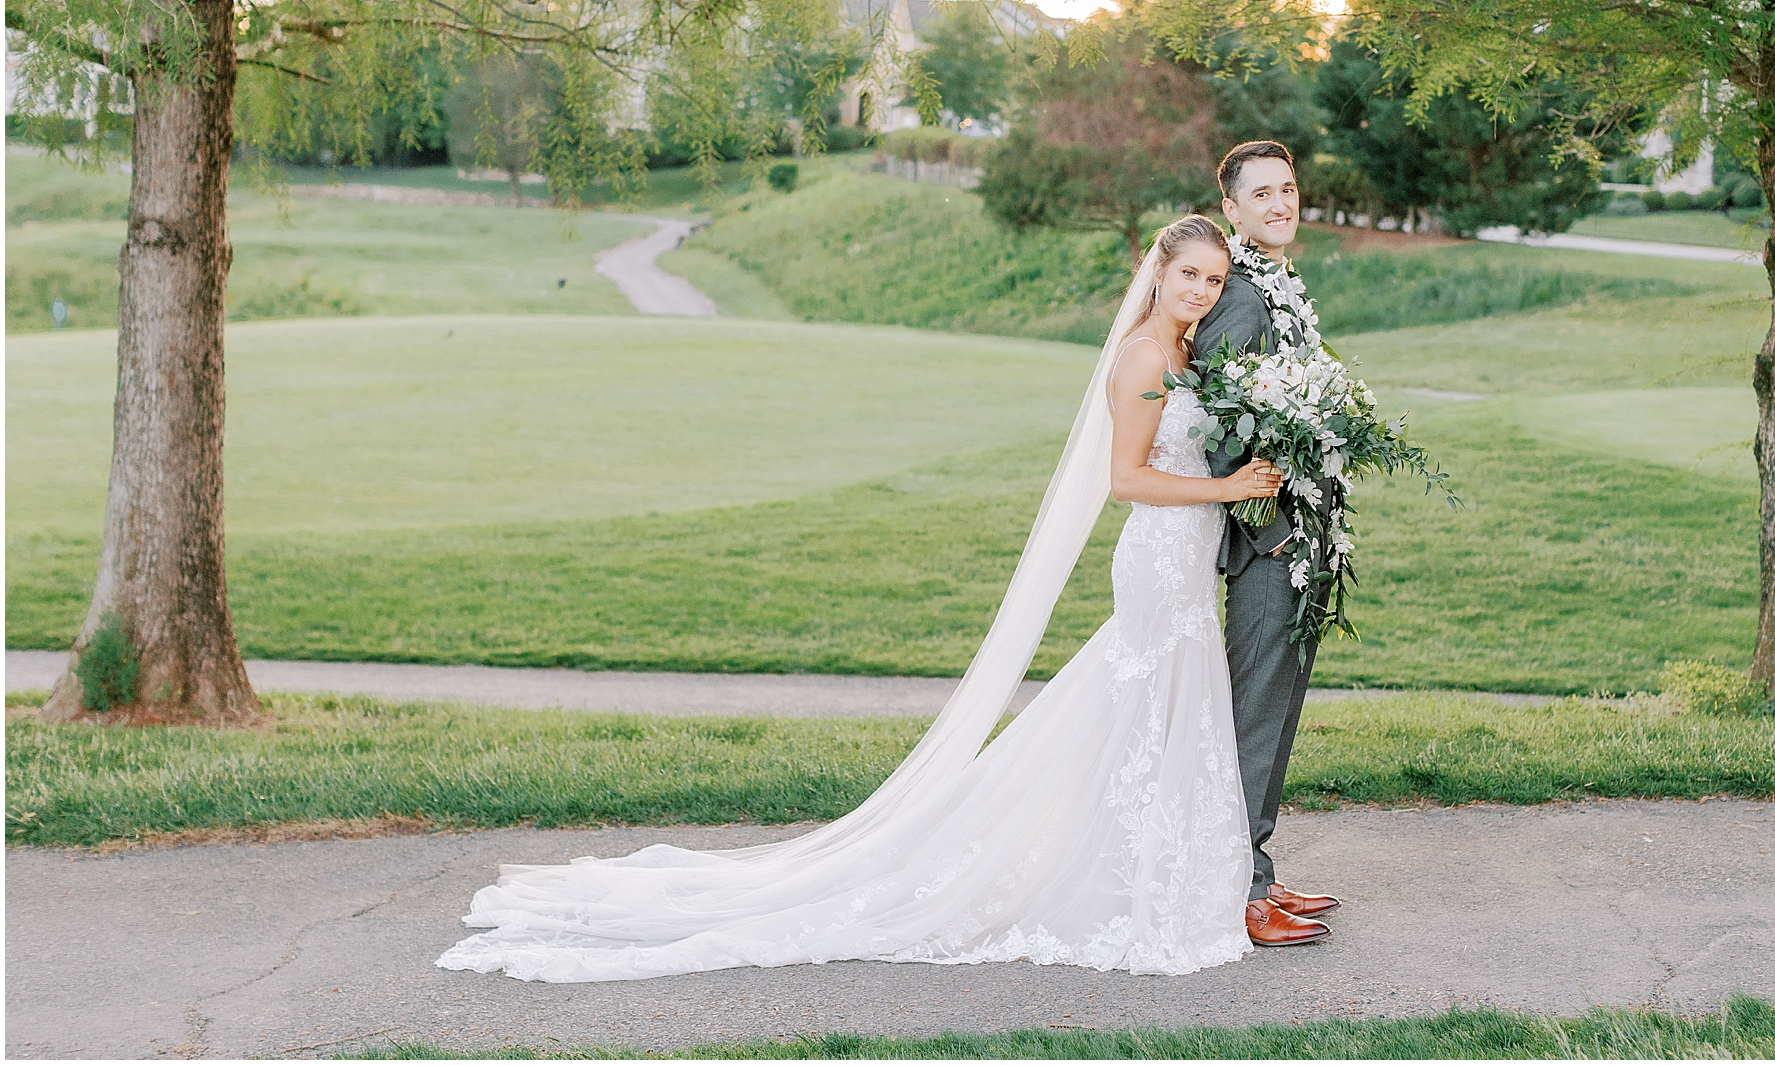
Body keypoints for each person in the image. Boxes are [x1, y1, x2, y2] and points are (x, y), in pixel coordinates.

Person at [437, 214, 1288, 981]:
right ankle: (1119, 872)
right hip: (1156, 557)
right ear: (1159, 271)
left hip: (1184, 559)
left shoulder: (1185, 351)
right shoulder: (1145, 352)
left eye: (1214, 280)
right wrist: (1230, 488)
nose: (1203, 291)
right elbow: (1127, 478)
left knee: (1156, 707)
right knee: (1139, 701)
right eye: (1191, 276)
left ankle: (1149, 867)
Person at [1192, 140, 1344, 947]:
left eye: (1288, 188)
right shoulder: (1242, 298)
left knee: (1278, 710)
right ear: (1233, 210)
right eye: (1264, 193)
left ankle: (1258, 870)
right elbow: (1221, 433)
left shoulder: (1281, 287)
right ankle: (1239, 891)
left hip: (1303, 538)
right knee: (1253, 712)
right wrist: (1277, 533)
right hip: (1265, 547)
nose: (1282, 202)